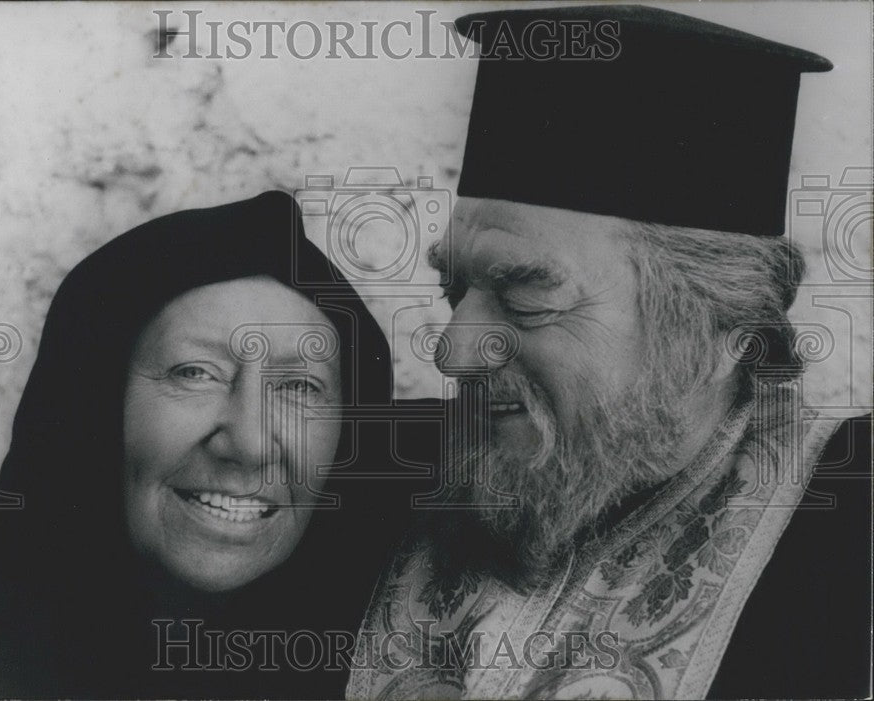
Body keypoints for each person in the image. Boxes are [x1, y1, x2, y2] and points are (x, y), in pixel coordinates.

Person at [344, 6, 872, 700]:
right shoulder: (372, 477)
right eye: (456, 289)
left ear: (720, 335)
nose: (454, 351)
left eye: (527, 300)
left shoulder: (851, 536)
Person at [0, 191, 403, 698]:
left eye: (300, 387)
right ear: (95, 408)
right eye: (196, 372)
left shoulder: (390, 626)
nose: (249, 443)